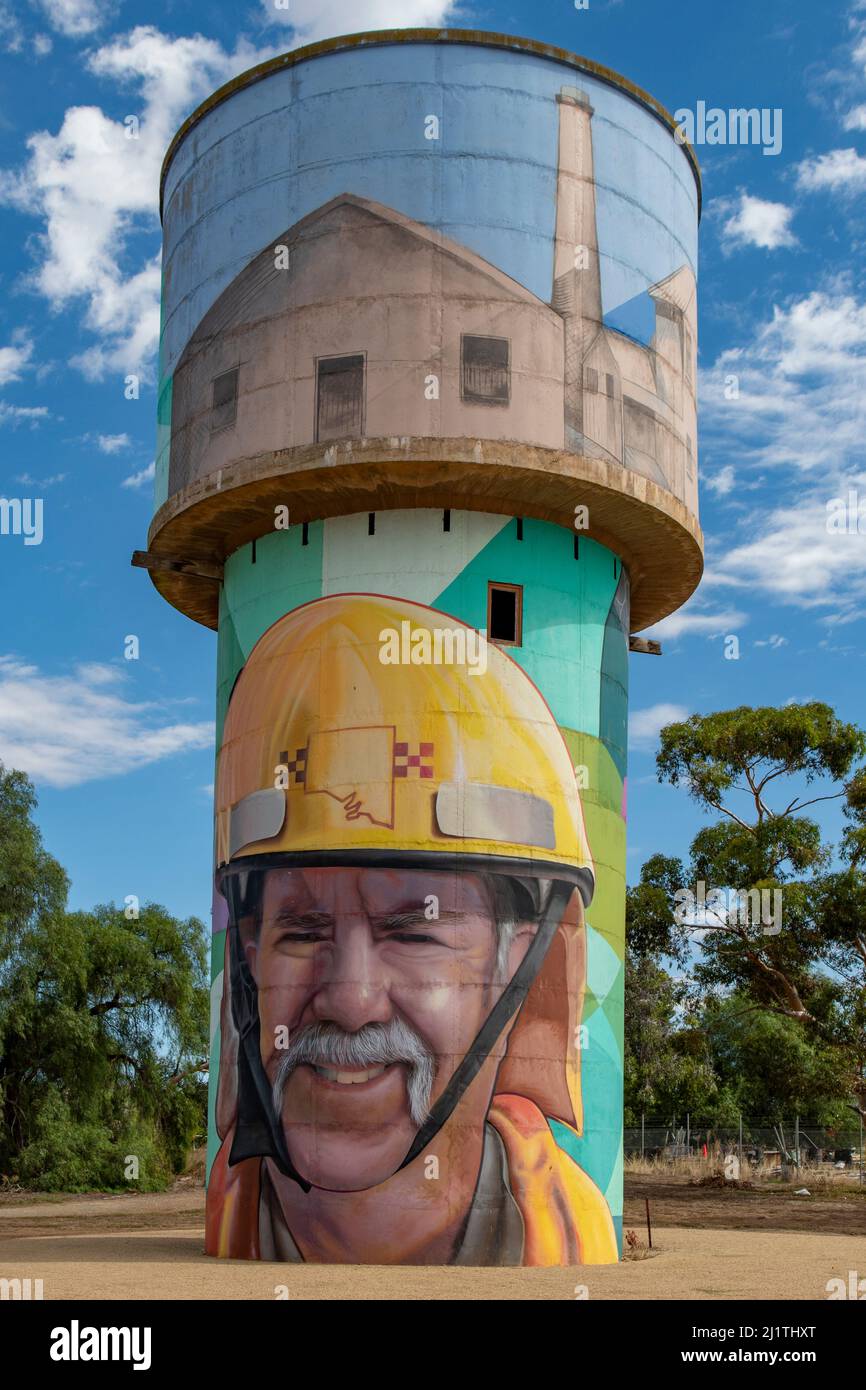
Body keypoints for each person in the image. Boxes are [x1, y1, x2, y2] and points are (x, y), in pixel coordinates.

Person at [206, 593, 617, 1265]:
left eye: (414, 931)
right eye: (303, 931)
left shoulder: (576, 1234)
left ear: (524, 962)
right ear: (249, 959)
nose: (349, 999)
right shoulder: (229, 1217)